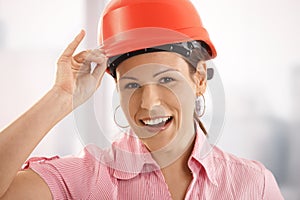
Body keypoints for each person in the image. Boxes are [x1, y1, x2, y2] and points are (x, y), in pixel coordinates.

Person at [0, 0, 284, 199]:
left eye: (166, 80)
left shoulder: (253, 185)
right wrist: (60, 97)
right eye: (132, 84)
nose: (148, 103)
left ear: (198, 79)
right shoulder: (89, 178)